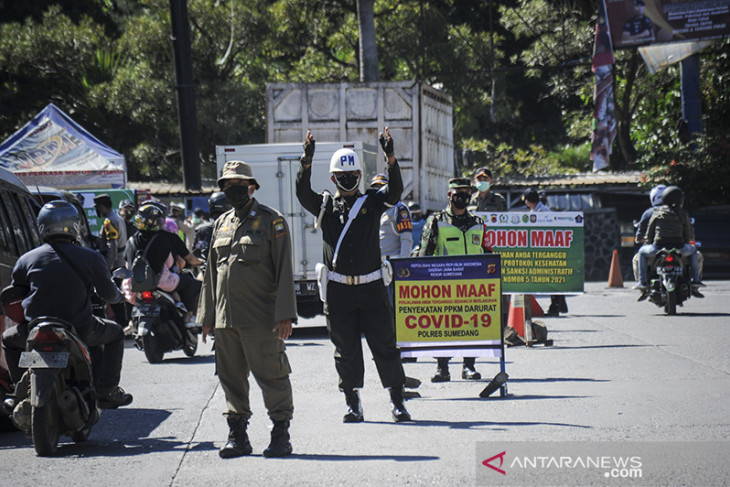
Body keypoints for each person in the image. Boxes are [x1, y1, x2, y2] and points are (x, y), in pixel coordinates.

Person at [296, 128, 412, 423]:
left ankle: (397, 401)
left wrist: (390, 157)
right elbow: (301, 192)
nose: (348, 180)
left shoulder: (372, 203)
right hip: (339, 291)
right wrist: (306, 161)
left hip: (372, 286)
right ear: (333, 178)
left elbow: (395, 193)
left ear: (360, 176)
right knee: (345, 350)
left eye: (353, 175)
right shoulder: (324, 206)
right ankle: (353, 403)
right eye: (342, 176)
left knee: (385, 346)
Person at [198, 160, 297, 459]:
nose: (233, 189)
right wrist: (207, 317)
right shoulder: (221, 223)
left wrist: (285, 315)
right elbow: (212, 274)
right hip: (227, 321)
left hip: (261, 319)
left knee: (272, 375)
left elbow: (284, 271)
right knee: (231, 379)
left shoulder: (272, 221)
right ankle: (238, 436)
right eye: (227, 185)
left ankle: (280, 434)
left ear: (252, 187)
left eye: (239, 184)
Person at [2, 201, 132, 409]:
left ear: (41, 226)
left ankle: (19, 391)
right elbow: (108, 293)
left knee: (8, 339)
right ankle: (107, 390)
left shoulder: (26, 259)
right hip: (80, 328)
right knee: (116, 333)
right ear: (75, 226)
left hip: (34, 328)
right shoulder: (91, 257)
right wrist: (118, 297)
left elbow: (16, 293)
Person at [418, 177, 491, 382]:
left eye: (467, 194)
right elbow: (425, 253)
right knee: (443, 326)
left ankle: (469, 366)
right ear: (449, 195)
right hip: (444, 286)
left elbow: (487, 253)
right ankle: (442, 367)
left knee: (472, 325)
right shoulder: (437, 221)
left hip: (473, 287)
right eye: (459, 193)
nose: (463, 197)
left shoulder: (478, 223)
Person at [124, 204, 202, 325]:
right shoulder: (163, 239)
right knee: (188, 281)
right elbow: (172, 263)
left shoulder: (131, 240)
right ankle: (189, 315)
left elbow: (126, 262)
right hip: (161, 282)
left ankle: (130, 321)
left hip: (134, 284)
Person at [635, 186, 704, 296]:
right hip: (679, 247)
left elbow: (650, 232)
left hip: (658, 247)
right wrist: (685, 242)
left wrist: (648, 241)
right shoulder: (683, 214)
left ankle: (642, 282)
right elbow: (688, 235)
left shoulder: (656, 213)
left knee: (642, 252)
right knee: (694, 251)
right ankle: (695, 280)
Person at [522, 188, 568, 316]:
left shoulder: (542, 212)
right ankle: (560, 305)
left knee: (552, 279)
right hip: (544, 248)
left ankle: (556, 306)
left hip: (549, 249)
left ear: (528, 201)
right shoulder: (537, 210)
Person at [94, 194, 129, 333]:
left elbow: (112, 249)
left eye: (97, 207)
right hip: (121, 262)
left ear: (102, 206)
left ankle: (123, 325)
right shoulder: (118, 218)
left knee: (116, 298)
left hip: (115, 264)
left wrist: (106, 270)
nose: (97, 210)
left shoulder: (110, 221)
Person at [371, 173, 413, 259]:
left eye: (381, 186)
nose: (378, 190)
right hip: (375, 262)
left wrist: (403, 262)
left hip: (393, 259)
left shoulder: (399, 209)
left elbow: (406, 239)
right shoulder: (371, 208)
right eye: (375, 187)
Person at [193, 191, 231, 262]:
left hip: (207, 271)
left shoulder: (202, 229)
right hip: (227, 270)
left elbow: (196, 252)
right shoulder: (233, 227)